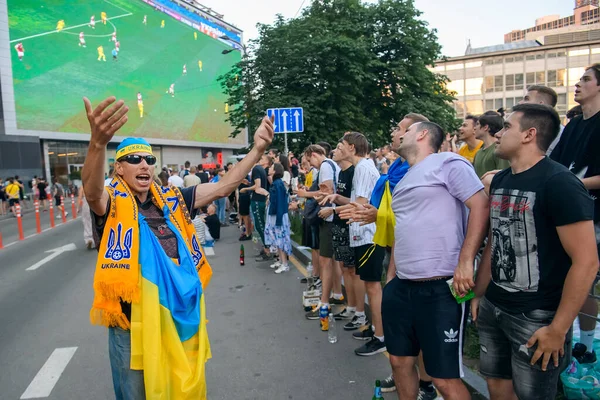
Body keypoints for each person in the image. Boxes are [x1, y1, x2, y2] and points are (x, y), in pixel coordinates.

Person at [81, 95, 274, 399]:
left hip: (176, 318)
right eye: (134, 159)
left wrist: (257, 150)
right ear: (119, 169)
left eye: (149, 159)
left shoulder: (173, 200)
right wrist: (97, 145)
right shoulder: (112, 202)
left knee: (179, 391)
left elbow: (224, 186)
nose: (144, 164)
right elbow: (92, 192)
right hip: (132, 327)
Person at [472, 103, 599, 399]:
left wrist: (558, 328)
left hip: (537, 316)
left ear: (529, 134)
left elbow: (587, 262)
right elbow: (495, 242)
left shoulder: (559, 183)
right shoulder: (501, 180)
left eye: (507, 127)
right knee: (496, 386)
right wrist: (479, 294)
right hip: (494, 305)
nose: (499, 134)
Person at [384, 121, 489, 399]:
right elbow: (402, 227)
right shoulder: (406, 176)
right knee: (399, 362)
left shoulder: (449, 162)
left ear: (422, 134)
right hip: (402, 287)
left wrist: (466, 262)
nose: (399, 134)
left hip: (441, 288)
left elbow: (480, 204)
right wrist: (391, 277)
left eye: (405, 130)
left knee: (443, 378)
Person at [550, 64, 600, 365]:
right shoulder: (575, 125)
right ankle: (564, 341)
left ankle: (586, 346)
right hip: (564, 212)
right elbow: (553, 165)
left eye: (585, 79)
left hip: (593, 215)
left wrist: (570, 183)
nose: (578, 84)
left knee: (585, 279)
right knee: (562, 278)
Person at [322, 133, 385, 355]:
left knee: (373, 287)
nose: (336, 149)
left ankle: (381, 336)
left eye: (340, 146)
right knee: (368, 284)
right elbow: (356, 201)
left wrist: (333, 208)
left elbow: (360, 204)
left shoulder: (364, 168)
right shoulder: (361, 168)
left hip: (368, 235)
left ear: (351, 147)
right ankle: (374, 328)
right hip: (360, 233)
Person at [303, 144, 343, 327]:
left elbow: (325, 193)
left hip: (329, 217)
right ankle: (336, 294)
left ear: (313, 155)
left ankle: (324, 302)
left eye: (309, 160)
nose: (310, 164)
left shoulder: (326, 166)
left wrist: (306, 194)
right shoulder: (332, 165)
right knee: (333, 260)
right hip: (334, 216)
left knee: (326, 260)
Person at [328, 143, 357, 323]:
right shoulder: (340, 173)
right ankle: (351, 306)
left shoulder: (354, 171)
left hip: (348, 224)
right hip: (339, 223)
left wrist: (335, 202)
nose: (335, 152)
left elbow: (355, 201)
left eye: (339, 148)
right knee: (344, 267)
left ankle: (356, 309)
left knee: (350, 269)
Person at [264, 163, 292, 273]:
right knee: (277, 239)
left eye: (271, 167)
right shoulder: (276, 183)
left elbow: (280, 202)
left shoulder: (278, 184)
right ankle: (281, 261)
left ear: (275, 171)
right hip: (276, 214)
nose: (269, 169)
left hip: (278, 215)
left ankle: (284, 264)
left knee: (280, 240)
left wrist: (279, 219)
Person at [241, 155, 270, 260]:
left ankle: (267, 250)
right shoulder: (260, 169)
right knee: (260, 224)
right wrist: (249, 183)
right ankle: (266, 248)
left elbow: (258, 186)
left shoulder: (256, 169)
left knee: (260, 225)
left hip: (258, 200)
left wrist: (246, 189)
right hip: (259, 199)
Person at [518, 85, 561, 154]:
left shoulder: (561, 134)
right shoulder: (521, 127)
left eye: (526, 99)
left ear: (540, 104)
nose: (520, 103)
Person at [472, 111, 510, 178]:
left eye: (477, 124)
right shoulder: (478, 153)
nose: (474, 128)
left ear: (485, 127)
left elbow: (504, 176)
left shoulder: (499, 150)